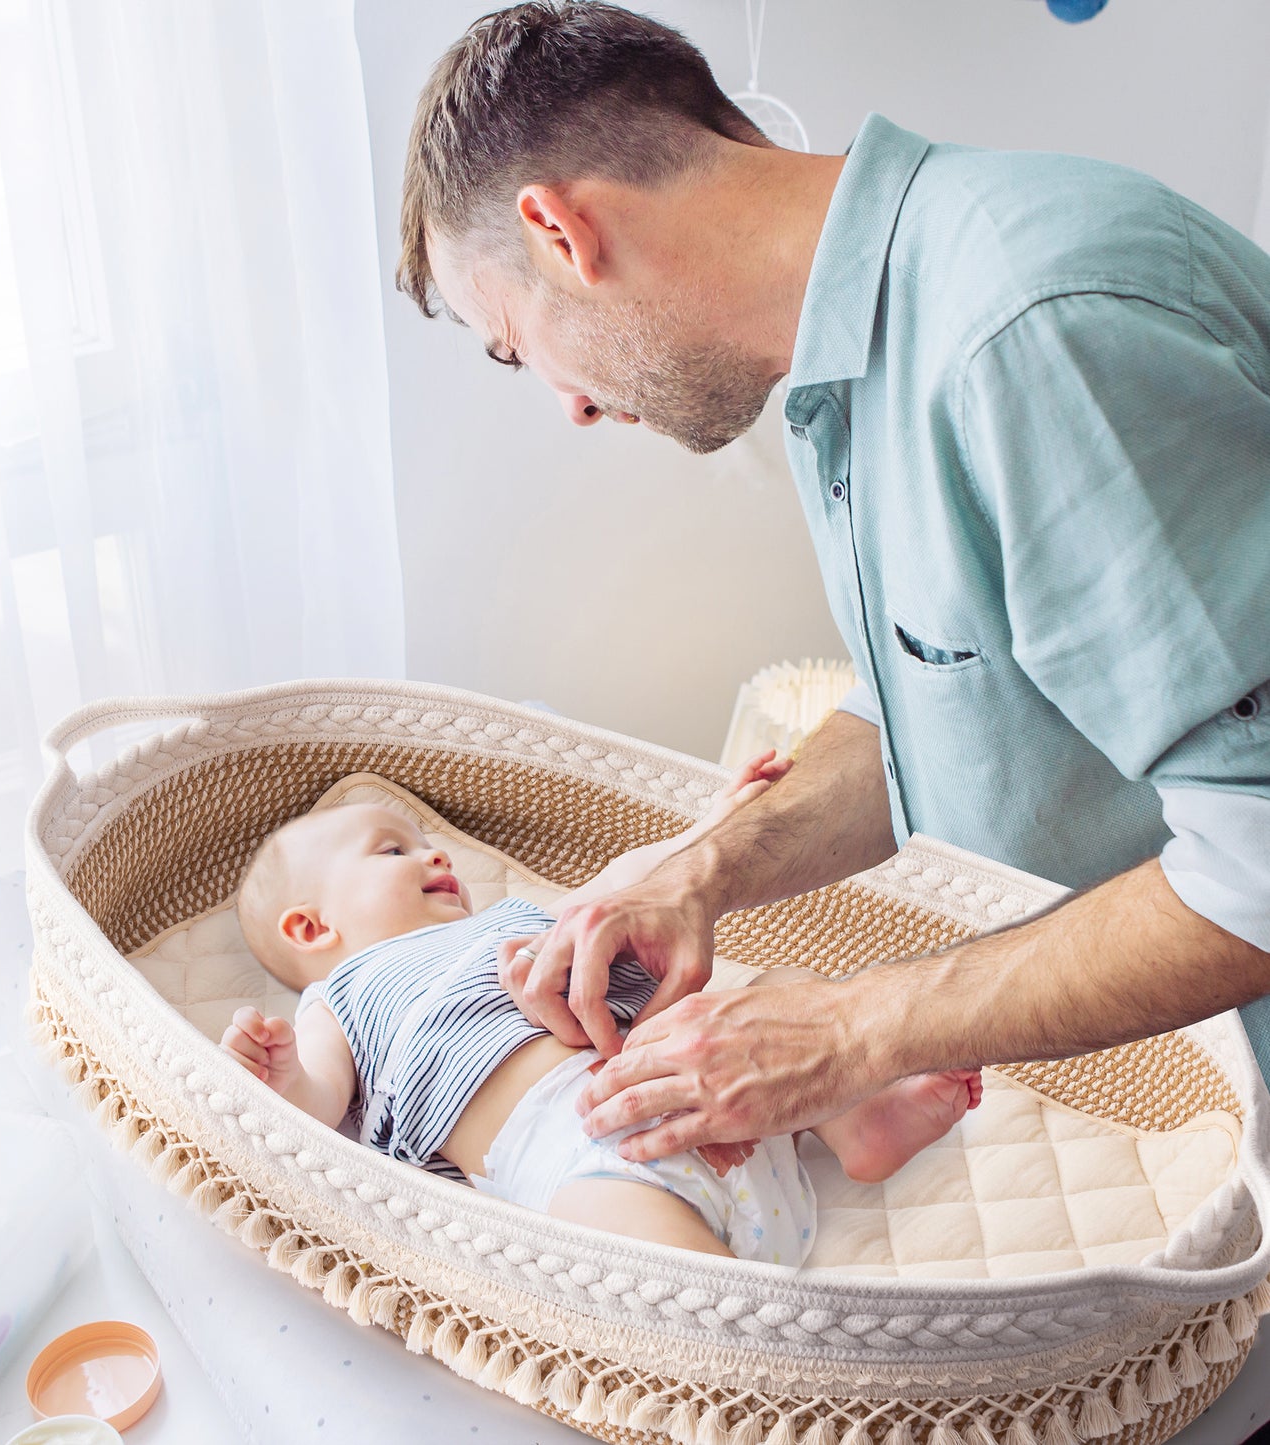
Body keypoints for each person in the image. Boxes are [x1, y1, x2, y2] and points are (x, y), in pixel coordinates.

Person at [396, 0, 1270, 1163]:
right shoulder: (840, 359)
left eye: (515, 343)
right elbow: (934, 697)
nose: (570, 404)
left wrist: (852, 1029)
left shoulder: (1026, 335)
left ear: (559, 231)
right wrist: (702, 870)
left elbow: (1256, 858)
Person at [218, 757, 983, 1263]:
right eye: (393, 851)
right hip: (589, 1159)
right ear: (312, 927)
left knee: (784, 984)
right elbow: (318, 1100)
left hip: (721, 1086)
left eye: (428, 844)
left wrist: (713, 826)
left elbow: (633, 879)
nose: (435, 856)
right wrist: (281, 1073)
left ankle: (856, 1120)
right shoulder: (345, 993)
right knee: (656, 1291)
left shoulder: (516, 921)